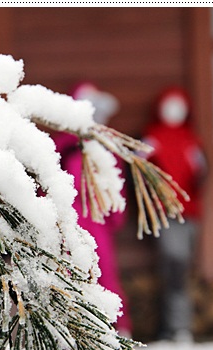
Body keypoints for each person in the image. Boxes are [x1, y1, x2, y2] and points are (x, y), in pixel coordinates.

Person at [50, 82, 133, 335]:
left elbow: (114, 183)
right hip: (66, 223)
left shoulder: (104, 146)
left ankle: (119, 327)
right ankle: (67, 330)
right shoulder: (62, 146)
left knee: (105, 274)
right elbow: (47, 179)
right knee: (66, 276)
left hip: (97, 224)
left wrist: (115, 216)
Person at [143, 86, 206, 342]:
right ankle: (176, 327)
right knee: (174, 264)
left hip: (188, 213)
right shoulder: (152, 138)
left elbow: (200, 172)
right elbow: (140, 170)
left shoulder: (191, 140)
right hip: (163, 212)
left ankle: (177, 326)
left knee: (180, 270)